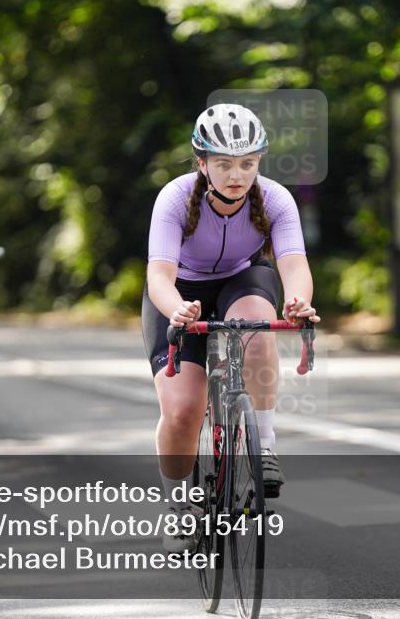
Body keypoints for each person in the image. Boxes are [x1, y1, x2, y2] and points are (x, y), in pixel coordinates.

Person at [143, 103, 320, 553]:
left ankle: (263, 445)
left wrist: (299, 301)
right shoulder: (176, 199)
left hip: (242, 278)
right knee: (183, 410)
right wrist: (178, 309)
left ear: (259, 161)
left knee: (256, 332)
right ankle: (179, 506)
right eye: (223, 163)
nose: (236, 174)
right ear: (201, 162)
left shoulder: (276, 200)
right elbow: (159, 276)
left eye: (247, 163)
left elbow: (294, 265)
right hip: (178, 290)